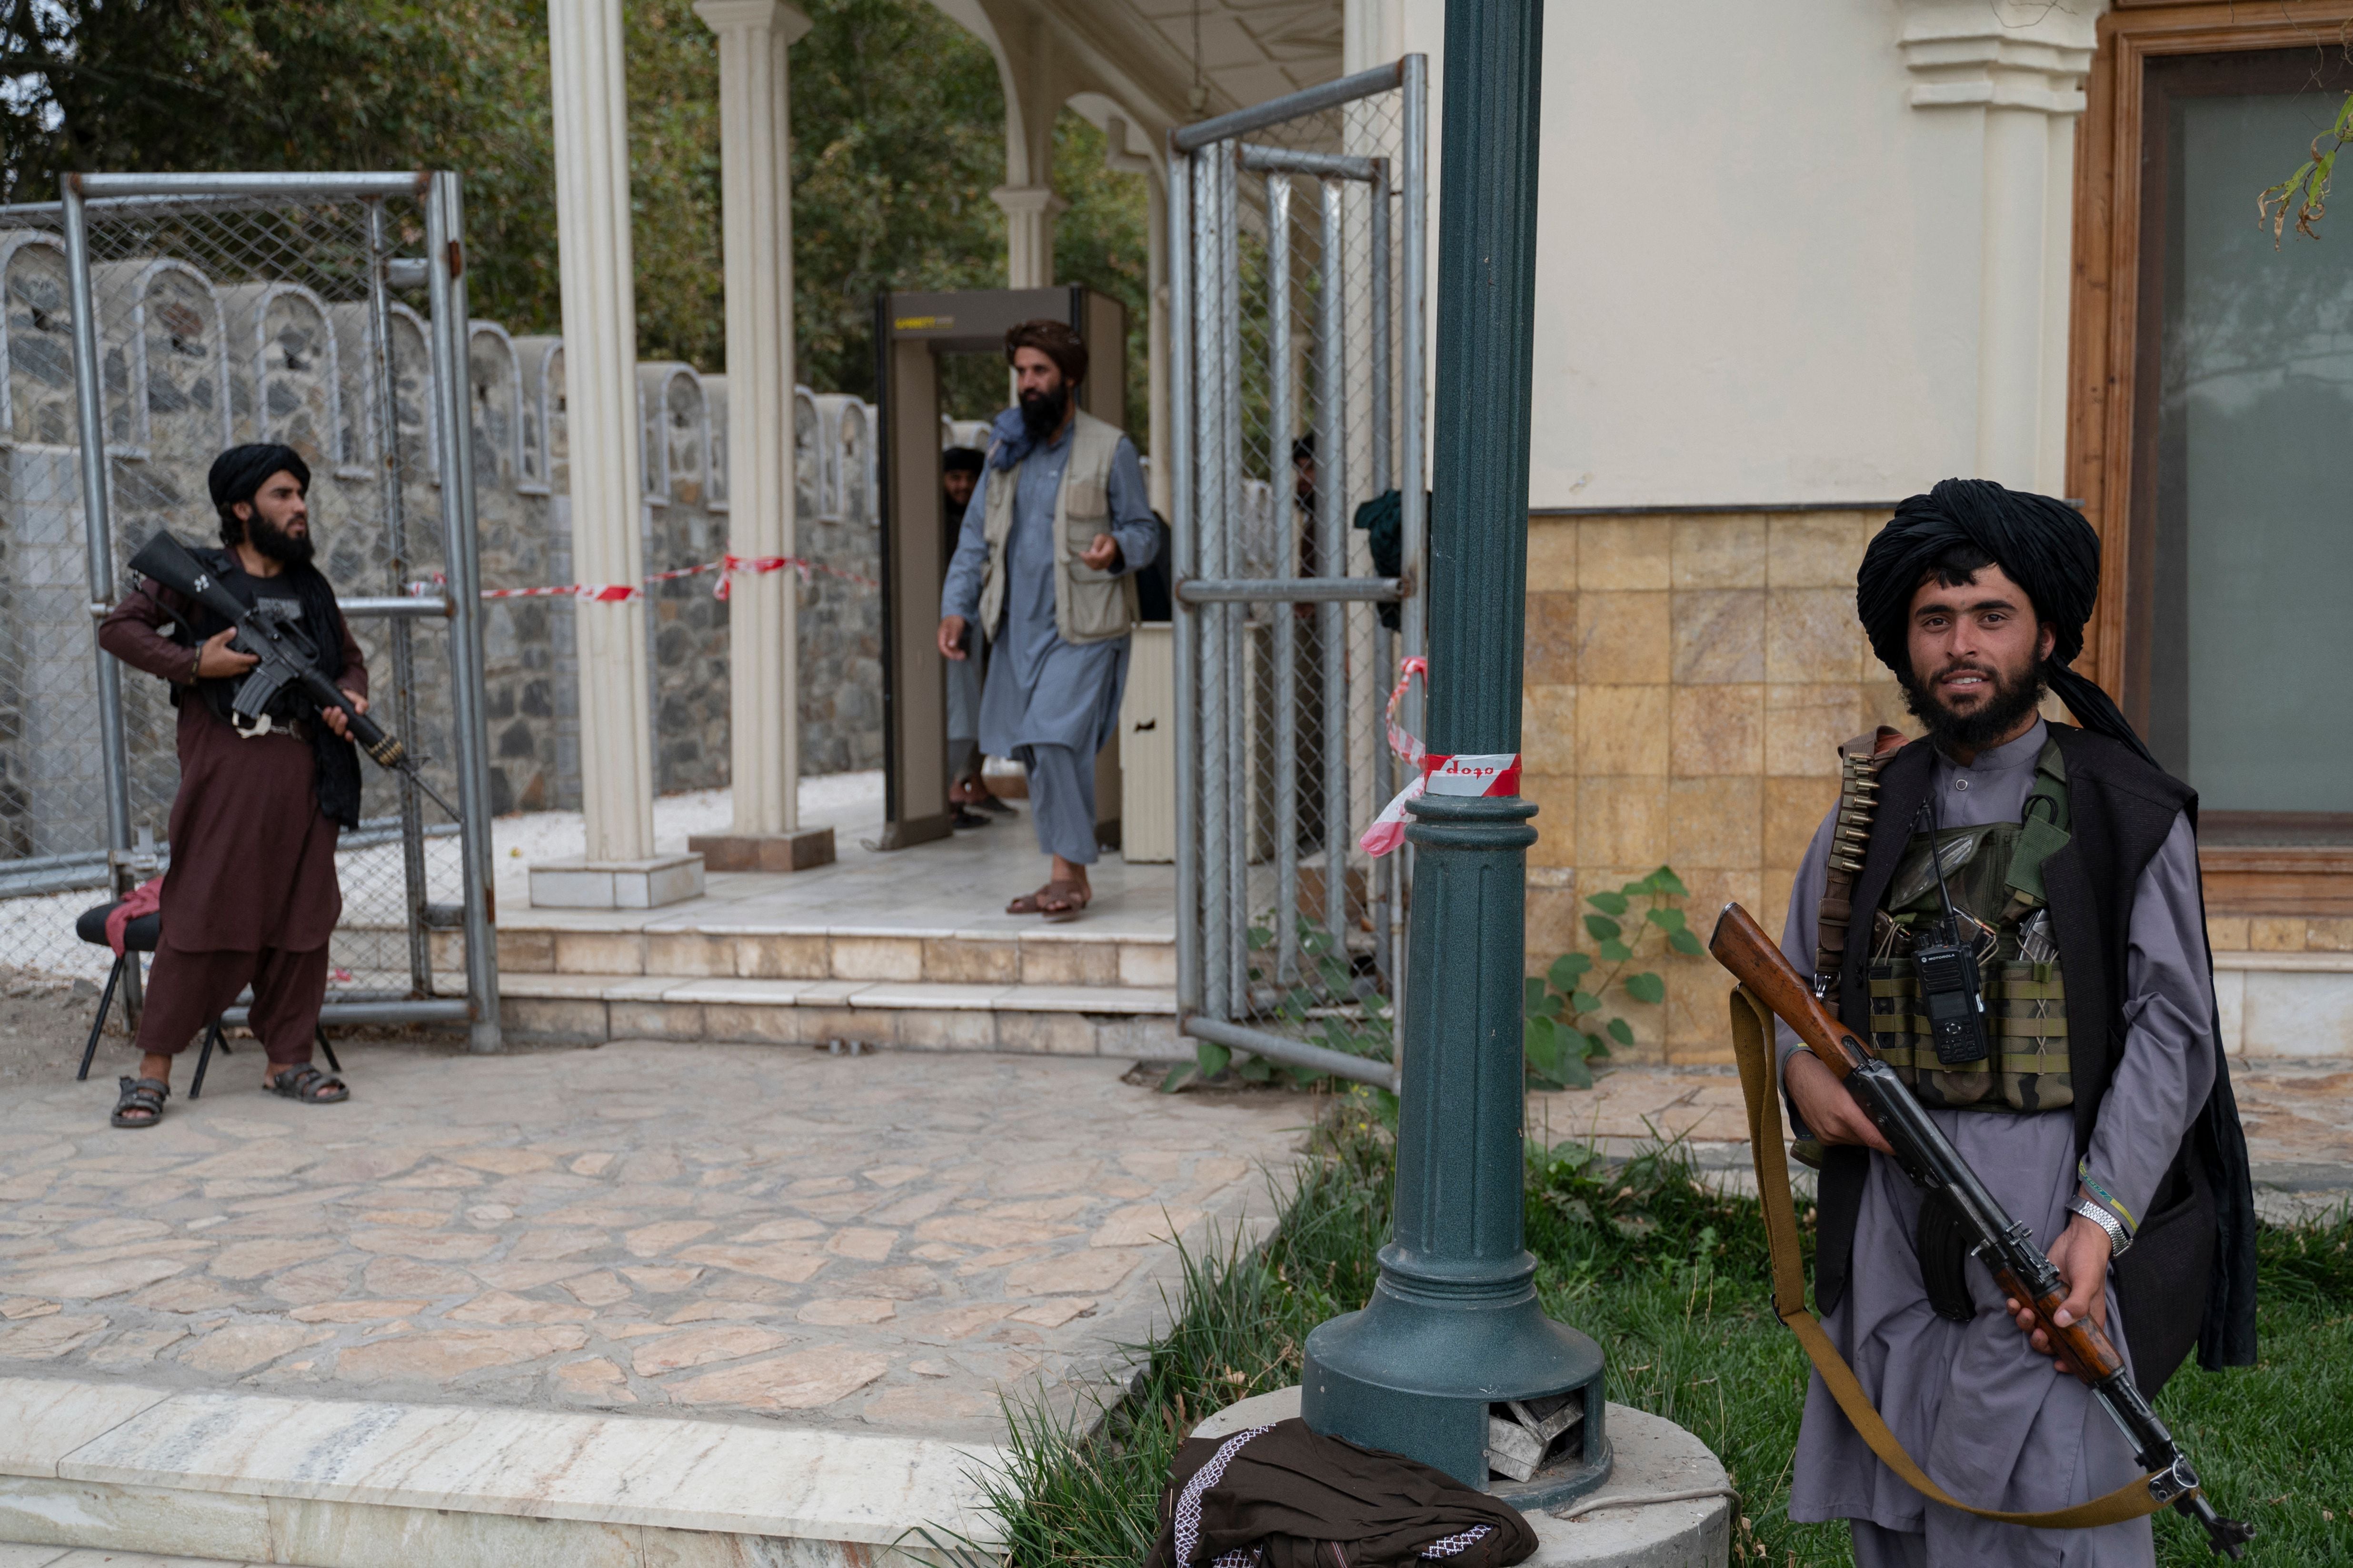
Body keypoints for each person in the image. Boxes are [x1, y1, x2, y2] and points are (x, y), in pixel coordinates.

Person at [1774, 479, 2255, 1566]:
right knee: (1899, 1497)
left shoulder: (2120, 809)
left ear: (2046, 631)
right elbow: (1798, 989)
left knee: (2047, 1489)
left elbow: (2171, 1031)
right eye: (1936, 620)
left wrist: (2101, 1219)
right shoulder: (1871, 803)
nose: (1961, 645)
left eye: (1990, 616)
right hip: (1897, 1205)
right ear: (1907, 638)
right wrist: (1804, 1076)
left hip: (2044, 1201)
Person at [96, 444, 366, 1126]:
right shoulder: (195, 574)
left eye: (301, 493)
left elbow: (351, 662)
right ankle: (153, 1070)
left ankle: (288, 1061)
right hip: (229, 765)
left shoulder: (312, 588)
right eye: (283, 494)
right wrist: (194, 662)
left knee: (305, 915)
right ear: (241, 508)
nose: (300, 505)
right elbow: (121, 630)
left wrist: (351, 700)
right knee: (204, 908)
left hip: (308, 771)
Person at [937, 320, 1158, 921]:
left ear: (1070, 377)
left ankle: (1067, 875)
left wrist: (1116, 547)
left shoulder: (1109, 448)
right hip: (1016, 632)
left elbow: (1146, 532)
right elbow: (974, 544)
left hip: (1084, 628)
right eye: (1022, 373)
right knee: (1035, 752)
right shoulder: (1005, 452)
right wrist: (954, 609)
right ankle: (1070, 874)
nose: (1028, 384)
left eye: (1040, 371)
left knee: (1053, 739)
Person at [939, 445, 1001, 826]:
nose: (962, 486)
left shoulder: (986, 522)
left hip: (985, 629)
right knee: (960, 714)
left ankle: (970, 785)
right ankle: (948, 796)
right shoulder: (937, 526)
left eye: (969, 478)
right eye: (955, 478)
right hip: (954, 633)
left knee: (981, 710)